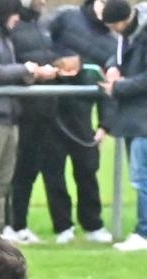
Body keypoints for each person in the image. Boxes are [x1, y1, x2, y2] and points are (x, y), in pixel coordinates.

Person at [0, 0, 57, 243]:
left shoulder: (1, 36)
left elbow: (5, 72)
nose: (17, 20)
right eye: (15, 14)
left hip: (8, 115)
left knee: (3, 177)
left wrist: (29, 74)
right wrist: (26, 69)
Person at [6, 0, 80, 244]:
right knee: (23, 171)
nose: (44, 2)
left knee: (54, 167)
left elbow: (47, 52)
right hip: (26, 111)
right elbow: (11, 64)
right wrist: (36, 71)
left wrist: (61, 62)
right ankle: (16, 225)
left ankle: (64, 226)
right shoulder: (13, 25)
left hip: (49, 108)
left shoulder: (43, 24)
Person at [46, 0, 116, 244]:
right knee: (53, 173)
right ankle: (62, 227)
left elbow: (107, 88)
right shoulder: (66, 17)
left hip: (83, 117)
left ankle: (93, 225)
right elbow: (42, 42)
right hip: (51, 112)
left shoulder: (110, 41)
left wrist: (105, 125)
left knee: (87, 172)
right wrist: (58, 61)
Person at [99, 0, 147, 251]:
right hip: (135, 118)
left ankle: (144, 232)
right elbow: (118, 57)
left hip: (143, 121)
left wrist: (118, 87)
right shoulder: (129, 36)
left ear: (124, 20)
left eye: (114, 25)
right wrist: (112, 67)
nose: (113, 31)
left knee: (142, 178)